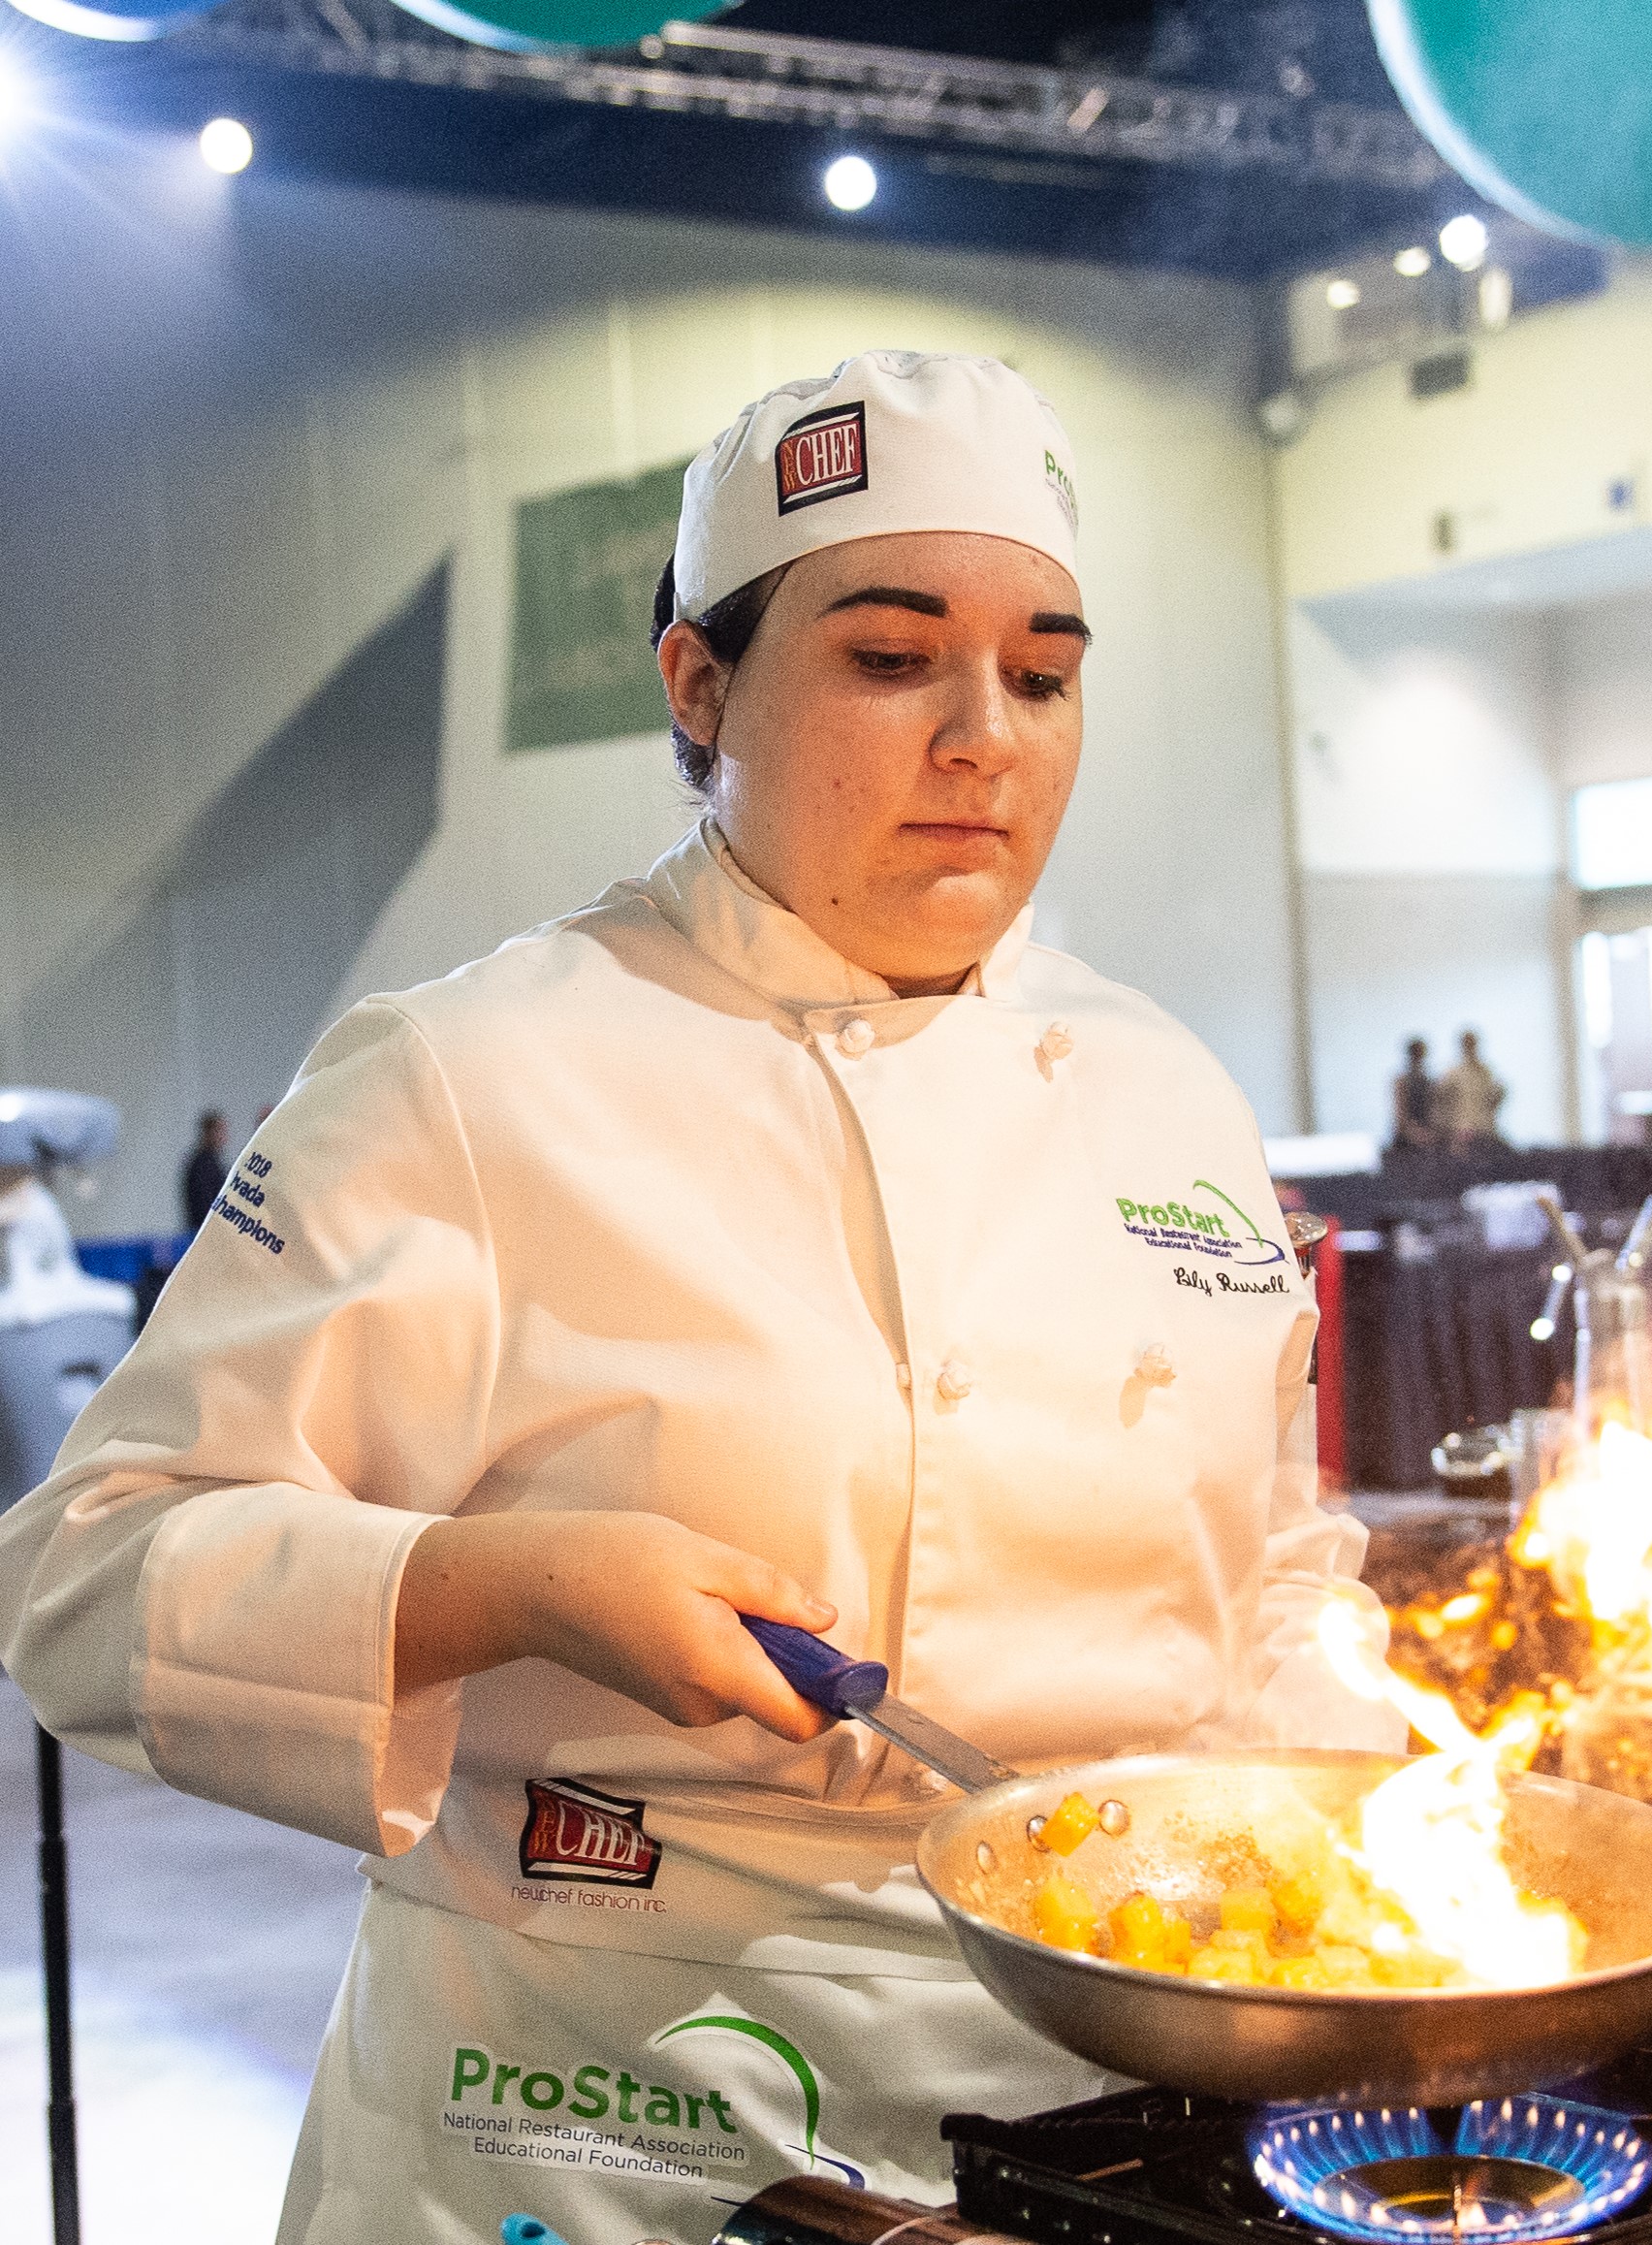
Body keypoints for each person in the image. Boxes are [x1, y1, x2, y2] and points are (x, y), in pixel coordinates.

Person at [0, 352, 1397, 2245]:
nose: (982, 732)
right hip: (598, 2095)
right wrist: (509, 1580)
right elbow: (82, 1571)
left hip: (1112, 2083)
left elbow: (1275, 1570)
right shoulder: (475, 1071)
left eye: (1043, 672)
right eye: (891, 658)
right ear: (697, 682)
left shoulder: (1162, 1084)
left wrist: (1357, 1828)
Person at [1440, 1029, 1507, 1150]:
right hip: (1461, 1133)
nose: (1470, 1047)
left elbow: (1491, 1102)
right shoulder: (1453, 1073)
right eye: (1467, 1044)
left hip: (1484, 1130)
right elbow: (1443, 1105)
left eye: (1473, 1043)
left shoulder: (1485, 1072)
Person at [178, 1107, 229, 1233]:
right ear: (208, 1132)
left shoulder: (213, 1162)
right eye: (219, 1131)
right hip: (204, 1230)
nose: (224, 1137)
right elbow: (203, 1203)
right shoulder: (201, 1165)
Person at [1390, 1036, 1441, 1151]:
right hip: (1407, 1140)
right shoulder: (1402, 1081)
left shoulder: (1429, 1081)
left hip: (1428, 1135)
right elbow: (1400, 1113)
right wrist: (1413, 1132)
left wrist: (1430, 1133)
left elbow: (1434, 1109)